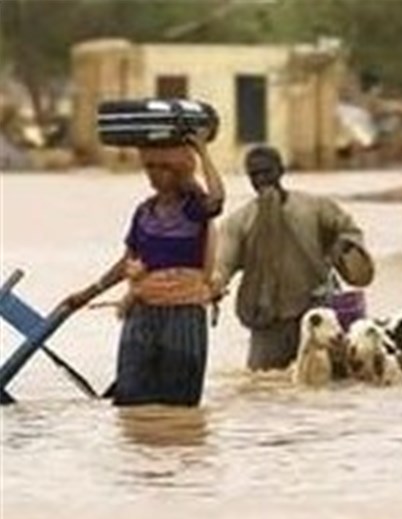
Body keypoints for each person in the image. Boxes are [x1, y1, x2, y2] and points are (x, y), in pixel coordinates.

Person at [62, 134, 225, 406]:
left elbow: (217, 199)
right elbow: (127, 262)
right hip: (142, 312)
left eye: (164, 168)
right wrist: (87, 294)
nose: (155, 175)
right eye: (150, 168)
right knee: (130, 399)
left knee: (178, 403)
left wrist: (204, 153)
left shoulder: (195, 210)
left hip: (183, 314)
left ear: (181, 171)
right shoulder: (144, 212)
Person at [213, 145, 373, 371]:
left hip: (316, 312)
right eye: (254, 175)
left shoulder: (315, 208)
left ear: (280, 171)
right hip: (268, 319)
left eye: (266, 172)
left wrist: (341, 246)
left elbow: (349, 231)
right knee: (263, 383)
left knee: (327, 379)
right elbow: (222, 263)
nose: (261, 179)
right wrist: (213, 287)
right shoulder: (239, 222)